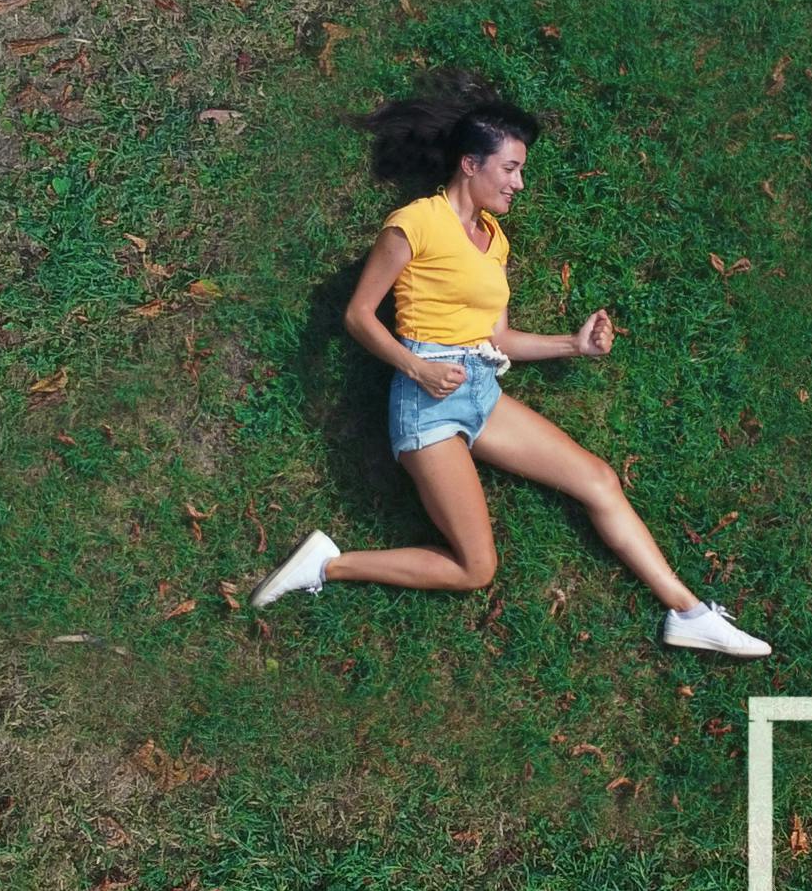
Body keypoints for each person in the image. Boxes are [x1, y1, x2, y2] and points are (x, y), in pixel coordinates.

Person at [249, 65, 771, 657]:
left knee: (597, 478)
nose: (519, 183)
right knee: (476, 568)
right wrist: (416, 368)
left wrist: (574, 346)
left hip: (478, 388)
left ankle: (687, 611)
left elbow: (500, 336)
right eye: (511, 168)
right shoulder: (415, 223)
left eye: (520, 170)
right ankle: (328, 564)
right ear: (470, 164)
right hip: (427, 400)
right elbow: (358, 317)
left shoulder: (494, 238)